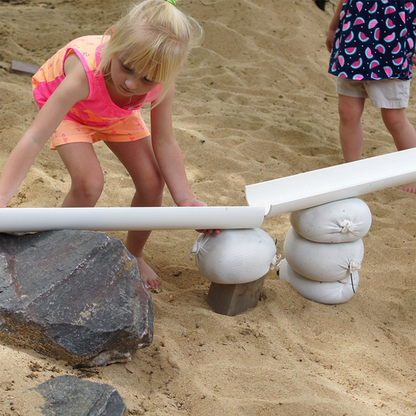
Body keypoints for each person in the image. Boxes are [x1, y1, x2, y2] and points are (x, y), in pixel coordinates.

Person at [0, 0, 219, 289]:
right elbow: (34, 137)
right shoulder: (83, 74)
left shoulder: (161, 84)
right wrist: (2, 199)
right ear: (114, 41)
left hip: (117, 114)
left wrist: (186, 199)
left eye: (147, 79)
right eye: (126, 67)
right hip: (73, 110)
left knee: (153, 182)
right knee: (89, 182)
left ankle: (134, 254)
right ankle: (53, 251)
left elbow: (165, 141)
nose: (131, 83)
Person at [326, 0, 416, 193]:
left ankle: (414, 172)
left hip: (391, 51)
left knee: (394, 118)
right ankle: (353, 170)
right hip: (352, 46)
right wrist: (334, 27)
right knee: (347, 112)